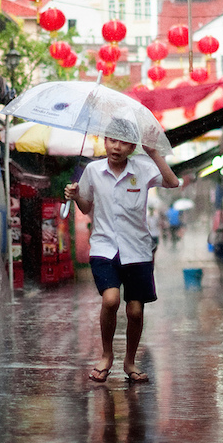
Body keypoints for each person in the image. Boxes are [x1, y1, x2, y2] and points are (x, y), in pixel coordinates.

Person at [65, 118, 179, 383]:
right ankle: (106, 355)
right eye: (111, 140)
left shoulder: (142, 168)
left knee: (136, 311)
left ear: (132, 147)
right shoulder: (93, 170)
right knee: (111, 300)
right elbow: (85, 206)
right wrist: (75, 195)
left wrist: (153, 152)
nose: (116, 147)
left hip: (138, 250)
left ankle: (130, 361)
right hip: (104, 247)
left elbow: (172, 182)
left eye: (123, 142)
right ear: (104, 142)